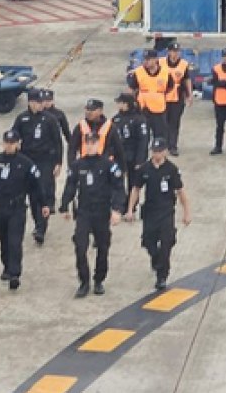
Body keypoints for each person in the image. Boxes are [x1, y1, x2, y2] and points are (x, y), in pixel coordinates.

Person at [0, 130, 47, 290]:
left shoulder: (26, 163)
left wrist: (44, 204)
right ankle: (7, 267)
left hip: (17, 208)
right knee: (4, 240)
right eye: (7, 142)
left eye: (12, 143)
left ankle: (15, 274)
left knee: (15, 241)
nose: (9, 145)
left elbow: (37, 186)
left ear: (18, 144)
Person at [59, 133, 125, 297]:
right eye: (87, 143)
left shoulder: (108, 165)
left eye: (93, 143)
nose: (90, 146)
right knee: (80, 246)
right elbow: (70, 185)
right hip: (84, 211)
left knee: (103, 247)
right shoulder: (77, 165)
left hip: (102, 211)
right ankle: (84, 281)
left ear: (98, 144)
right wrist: (64, 205)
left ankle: (99, 280)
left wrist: (117, 210)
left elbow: (118, 188)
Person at [128, 138, 192, 291]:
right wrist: (130, 209)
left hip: (166, 211)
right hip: (150, 211)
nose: (156, 154)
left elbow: (180, 191)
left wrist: (187, 212)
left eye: (159, 151)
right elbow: (136, 189)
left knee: (166, 243)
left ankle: (162, 276)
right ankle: (156, 259)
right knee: (148, 242)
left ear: (165, 152)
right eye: (154, 151)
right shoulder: (144, 169)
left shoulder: (171, 170)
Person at [12, 89, 62, 245]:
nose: (41, 105)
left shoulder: (50, 119)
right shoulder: (22, 118)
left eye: (42, 102)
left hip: (45, 160)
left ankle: (41, 228)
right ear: (31, 103)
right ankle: (37, 222)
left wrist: (58, 162)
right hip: (28, 160)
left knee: (43, 193)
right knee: (32, 196)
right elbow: (14, 137)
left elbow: (58, 141)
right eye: (38, 102)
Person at [111, 93, 148, 216]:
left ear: (126, 104)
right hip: (118, 156)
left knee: (133, 183)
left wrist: (140, 160)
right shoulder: (116, 119)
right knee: (117, 181)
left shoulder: (139, 119)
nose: (118, 105)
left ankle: (131, 207)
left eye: (120, 102)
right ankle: (119, 205)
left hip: (133, 155)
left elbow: (143, 141)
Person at [127, 49, 175, 143]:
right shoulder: (139, 72)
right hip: (142, 109)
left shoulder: (166, 72)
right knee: (142, 136)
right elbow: (131, 89)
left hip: (159, 109)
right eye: (145, 59)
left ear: (156, 59)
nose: (146, 61)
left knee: (160, 135)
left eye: (148, 59)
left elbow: (170, 87)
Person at [68, 98, 126, 170]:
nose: (89, 112)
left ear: (100, 111)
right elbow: (72, 149)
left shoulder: (110, 127)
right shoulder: (80, 126)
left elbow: (119, 149)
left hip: (105, 167)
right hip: (85, 166)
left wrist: (123, 169)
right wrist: (71, 166)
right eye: (87, 109)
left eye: (92, 110)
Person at [160, 42, 193, 156]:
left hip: (177, 97)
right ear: (168, 52)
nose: (175, 54)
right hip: (162, 97)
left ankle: (173, 146)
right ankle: (162, 145)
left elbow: (187, 79)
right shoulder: (161, 62)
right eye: (173, 51)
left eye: (177, 51)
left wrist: (189, 94)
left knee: (174, 123)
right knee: (163, 123)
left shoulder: (183, 64)